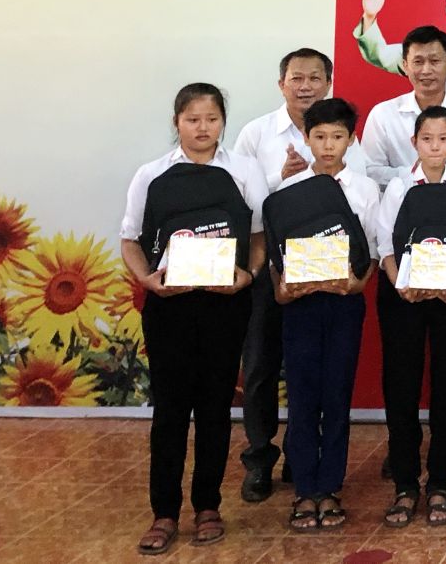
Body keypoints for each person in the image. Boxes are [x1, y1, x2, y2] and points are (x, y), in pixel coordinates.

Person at [120, 83, 267, 555]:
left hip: (226, 305)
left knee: (215, 408)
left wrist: (249, 275)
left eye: (212, 119)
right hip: (170, 307)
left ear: (223, 122)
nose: (203, 128)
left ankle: (208, 506)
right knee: (169, 410)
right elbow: (130, 239)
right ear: (176, 122)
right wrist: (148, 281)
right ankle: (164, 513)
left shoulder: (244, 170)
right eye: (192, 119)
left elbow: (259, 235)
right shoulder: (151, 175)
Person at [231, 47, 366, 502]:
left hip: (330, 278)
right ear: (281, 83)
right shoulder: (256, 134)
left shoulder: (347, 137)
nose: (305, 85)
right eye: (296, 77)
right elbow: (242, 204)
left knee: (312, 373)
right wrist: (281, 181)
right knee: (262, 365)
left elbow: (356, 205)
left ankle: (299, 456)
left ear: (328, 82)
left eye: (314, 77)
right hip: (272, 269)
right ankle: (259, 458)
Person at [261, 97, 379, 532]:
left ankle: (330, 488)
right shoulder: (287, 191)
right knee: (303, 396)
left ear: (351, 139)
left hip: (344, 303)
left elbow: (371, 251)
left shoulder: (365, 190)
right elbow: (275, 255)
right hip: (300, 306)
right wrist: (282, 291)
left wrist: (358, 284)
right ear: (306, 138)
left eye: (337, 136)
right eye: (320, 136)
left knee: (337, 395)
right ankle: (304, 490)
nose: (328, 145)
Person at [374, 106, 446, 529]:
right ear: (414, 142)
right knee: (401, 387)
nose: (435, 147)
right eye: (427, 139)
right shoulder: (399, 187)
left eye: (444, 139)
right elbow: (385, 246)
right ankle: (405, 484)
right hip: (403, 298)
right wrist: (401, 285)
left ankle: (440, 482)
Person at [361, 25, 446, 187]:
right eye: (418, 62)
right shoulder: (383, 115)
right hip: (401, 202)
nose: (426, 70)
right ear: (405, 65)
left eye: (434, 61)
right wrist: (417, 172)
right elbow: (370, 172)